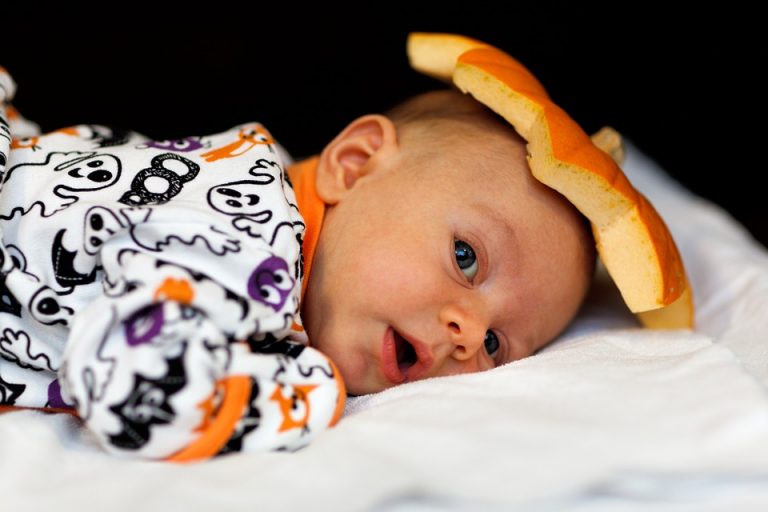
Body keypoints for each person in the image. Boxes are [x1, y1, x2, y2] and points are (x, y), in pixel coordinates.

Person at [0, 66, 594, 460]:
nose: (467, 331)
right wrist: (308, 395)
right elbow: (130, 380)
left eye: (497, 344)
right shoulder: (254, 234)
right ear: (356, 164)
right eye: (466, 257)